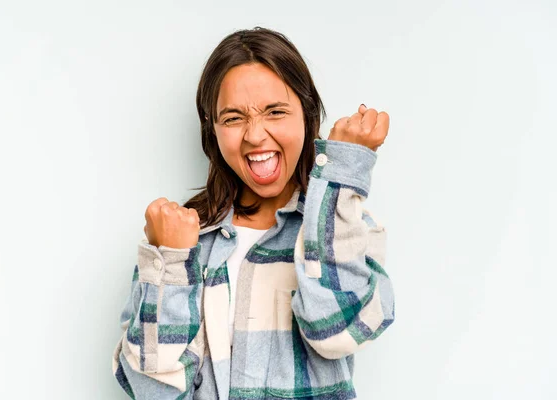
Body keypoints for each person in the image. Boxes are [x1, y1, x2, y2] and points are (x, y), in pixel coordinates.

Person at [111, 26, 394, 400]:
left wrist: (341, 176)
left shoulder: (345, 228)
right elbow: (151, 392)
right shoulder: (183, 240)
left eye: (275, 112)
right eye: (232, 118)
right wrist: (171, 262)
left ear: (308, 116)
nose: (255, 136)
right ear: (212, 131)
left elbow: (338, 331)